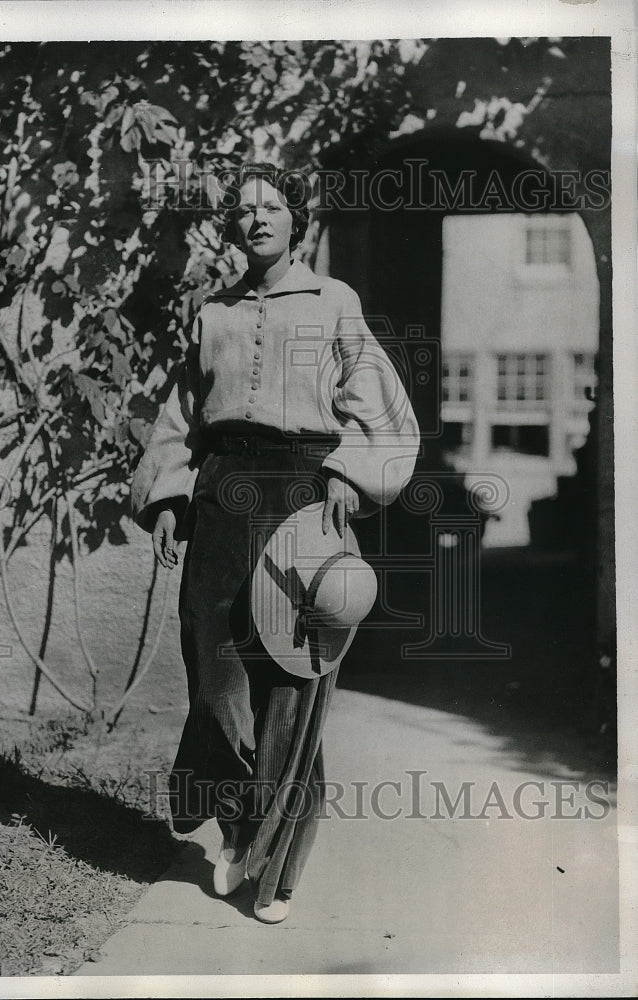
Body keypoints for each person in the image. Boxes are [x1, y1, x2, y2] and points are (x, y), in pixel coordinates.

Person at [130, 162, 420, 924]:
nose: (257, 218)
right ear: (233, 226)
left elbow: (378, 402)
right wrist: (167, 495)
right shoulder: (213, 310)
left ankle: (275, 870)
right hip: (222, 495)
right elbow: (181, 412)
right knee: (216, 675)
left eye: (273, 206)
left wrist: (351, 478)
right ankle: (237, 827)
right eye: (245, 209)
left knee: (292, 679)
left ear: (300, 220)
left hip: (302, 493)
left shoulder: (335, 302)